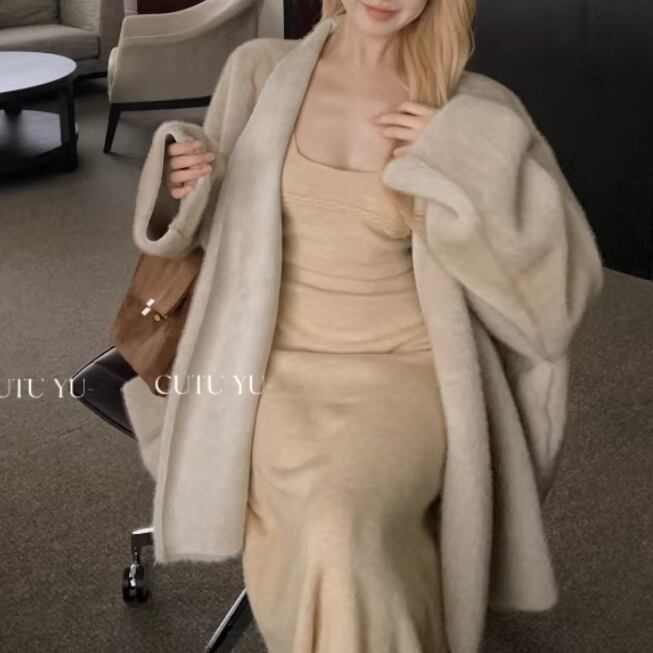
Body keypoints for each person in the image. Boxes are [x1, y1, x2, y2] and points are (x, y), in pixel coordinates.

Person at [122, 1, 603, 651]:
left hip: (406, 368)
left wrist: (463, 158)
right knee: (329, 537)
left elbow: (557, 296)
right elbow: (203, 238)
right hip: (268, 364)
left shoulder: (471, 106)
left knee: (343, 527)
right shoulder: (259, 73)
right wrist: (181, 184)